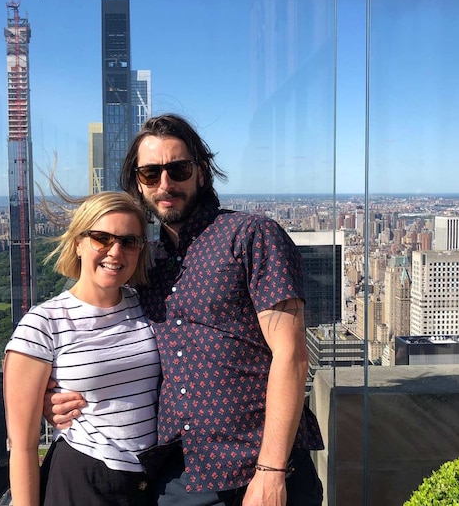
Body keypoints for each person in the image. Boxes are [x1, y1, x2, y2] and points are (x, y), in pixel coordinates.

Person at [47, 114, 324, 506]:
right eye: (150, 173)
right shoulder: (145, 263)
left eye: (177, 169)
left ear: (201, 172)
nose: (165, 184)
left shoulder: (251, 236)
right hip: (182, 474)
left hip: (259, 467)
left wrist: (272, 471)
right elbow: (106, 336)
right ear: (138, 184)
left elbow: (292, 355)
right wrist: (54, 395)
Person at [4, 191, 161, 506]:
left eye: (129, 242)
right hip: (83, 477)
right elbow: (22, 446)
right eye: (102, 238)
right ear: (78, 242)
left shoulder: (147, 306)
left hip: (150, 481)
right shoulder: (43, 324)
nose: (115, 252)